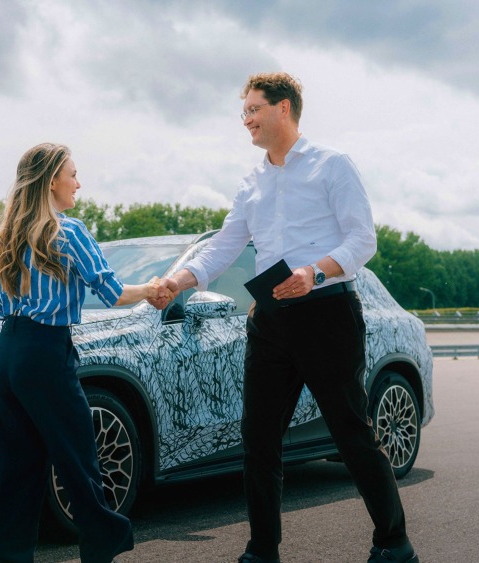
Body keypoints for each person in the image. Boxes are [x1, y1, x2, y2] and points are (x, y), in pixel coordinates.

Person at [149, 73, 418, 563]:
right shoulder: (250, 183)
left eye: (254, 110)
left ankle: (394, 543)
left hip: (327, 313)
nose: (246, 120)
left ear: (284, 108)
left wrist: (314, 273)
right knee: (259, 439)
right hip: (270, 319)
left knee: (350, 433)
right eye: (244, 112)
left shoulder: (332, 165)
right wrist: (177, 281)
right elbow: (224, 247)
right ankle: (262, 550)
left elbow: (363, 240)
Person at [0, 142, 171, 563]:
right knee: (77, 453)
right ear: (52, 181)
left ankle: (9, 556)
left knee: (15, 463)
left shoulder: (2, 236)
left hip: (8, 351)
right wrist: (151, 289)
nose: (78, 184)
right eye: (73, 175)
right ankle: (102, 542)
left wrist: (26, 296)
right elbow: (112, 291)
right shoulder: (67, 232)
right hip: (46, 351)